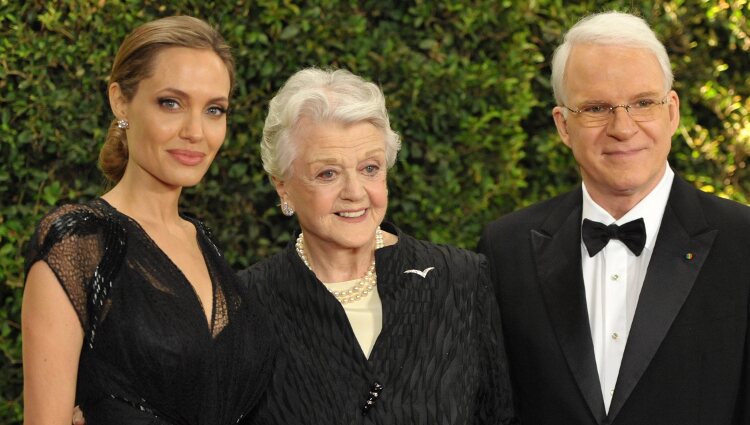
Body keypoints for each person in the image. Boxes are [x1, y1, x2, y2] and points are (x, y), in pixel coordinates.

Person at [478, 11, 750, 425]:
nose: (622, 127)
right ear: (563, 125)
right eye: (596, 108)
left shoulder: (743, 242)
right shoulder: (505, 249)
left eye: (643, 103)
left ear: (672, 112)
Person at [22, 16, 273, 425]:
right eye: (170, 103)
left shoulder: (203, 240)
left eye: (214, 109)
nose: (196, 131)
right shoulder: (78, 241)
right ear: (121, 101)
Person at [239, 68, 517, 424]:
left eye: (370, 168)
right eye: (328, 173)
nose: (355, 192)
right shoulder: (246, 303)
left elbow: (498, 417)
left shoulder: (460, 278)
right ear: (283, 187)